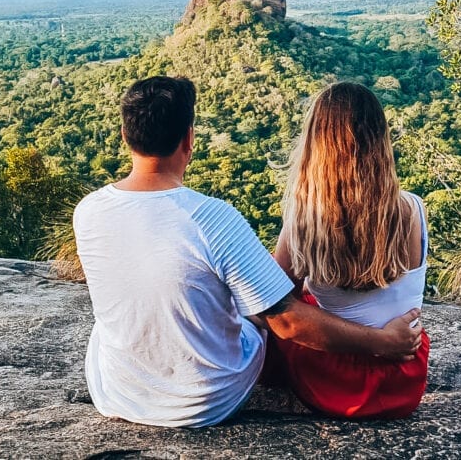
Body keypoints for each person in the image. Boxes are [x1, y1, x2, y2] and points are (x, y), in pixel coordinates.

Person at [73, 75, 424, 428]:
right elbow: (284, 318)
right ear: (189, 139)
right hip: (208, 401)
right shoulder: (212, 218)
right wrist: (382, 341)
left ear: (124, 136)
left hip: (119, 394)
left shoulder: (87, 211)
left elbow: (282, 310)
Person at [271, 81, 431, 419]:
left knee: (282, 305)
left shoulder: (305, 221)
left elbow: (271, 302)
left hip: (334, 383)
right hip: (403, 377)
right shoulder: (413, 210)